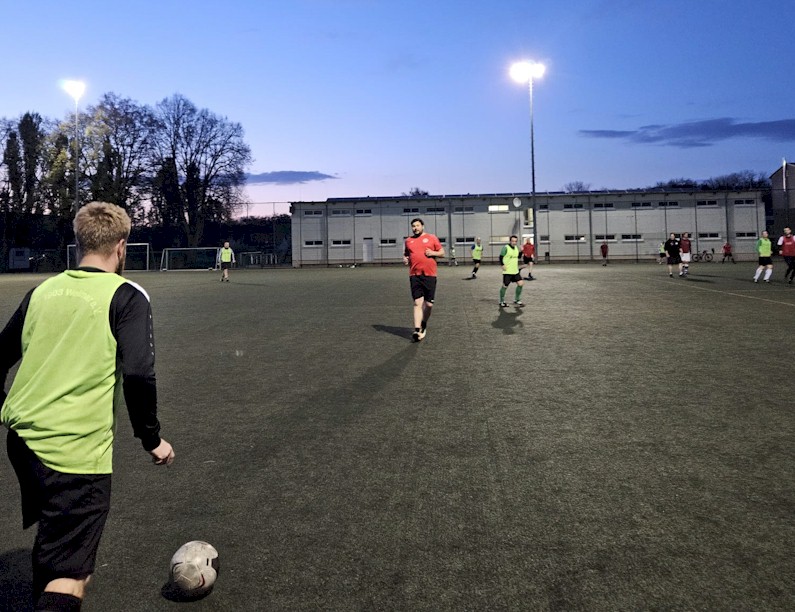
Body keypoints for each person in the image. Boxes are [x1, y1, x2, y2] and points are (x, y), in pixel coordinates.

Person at [0, 202, 174, 612]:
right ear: (121, 245)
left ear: (80, 243)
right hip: (72, 453)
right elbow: (137, 374)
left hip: (22, 443)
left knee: (56, 541)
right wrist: (152, 439)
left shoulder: (41, 291)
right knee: (71, 575)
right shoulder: (126, 295)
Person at [403, 218, 444, 341]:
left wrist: (433, 253)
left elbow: (442, 252)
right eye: (413, 226)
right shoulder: (408, 241)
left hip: (430, 275)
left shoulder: (432, 238)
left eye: (417, 225)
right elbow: (406, 255)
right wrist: (405, 259)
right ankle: (417, 330)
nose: (415, 228)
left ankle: (423, 324)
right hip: (414, 275)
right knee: (417, 303)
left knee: (429, 304)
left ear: (423, 226)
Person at [499, 235, 525, 307]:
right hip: (507, 271)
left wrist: (522, 251)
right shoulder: (505, 248)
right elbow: (500, 257)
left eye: (515, 241)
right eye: (513, 241)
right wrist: (502, 265)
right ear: (510, 241)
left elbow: (518, 257)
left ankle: (517, 300)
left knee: (521, 284)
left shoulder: (516, 248)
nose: (514, 242)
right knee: (505, 286)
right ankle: (502, 301)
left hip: (515, 271)